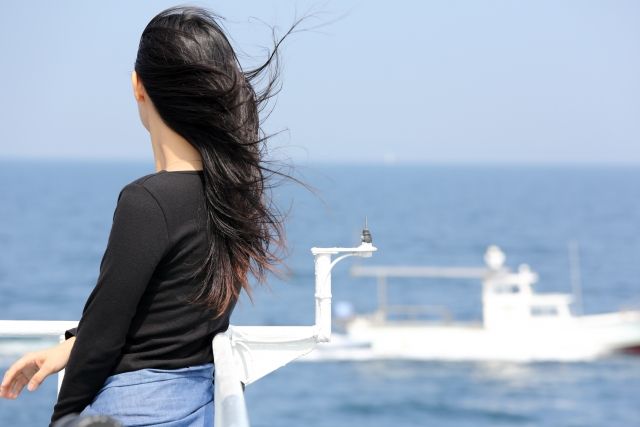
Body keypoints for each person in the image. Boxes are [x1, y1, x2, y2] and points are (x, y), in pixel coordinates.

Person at [0, 5, 295, 425]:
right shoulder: (231, 193)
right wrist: (70, 346)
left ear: (138, 86)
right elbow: (161, 319)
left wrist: (63, 417)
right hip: (198, 403)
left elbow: (105, 331)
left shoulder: (148, 201)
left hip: (135, 407)